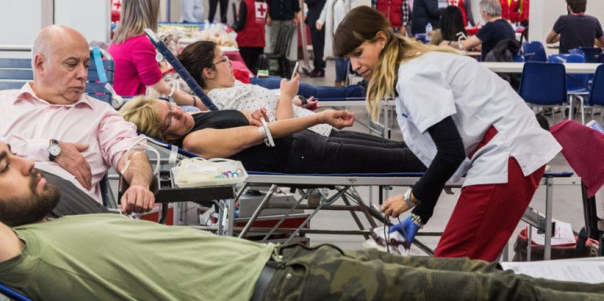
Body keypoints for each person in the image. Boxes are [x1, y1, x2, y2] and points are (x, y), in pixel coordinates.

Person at [0, 126, 604, 301]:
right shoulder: (20, 256)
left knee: (490, 283)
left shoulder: (53, 223)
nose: (27, 165)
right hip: (279, 300)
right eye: (4, 169)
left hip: (289, 269)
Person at [333, 5, 562, 262]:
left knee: (453, 267)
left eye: (358, 53)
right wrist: (419, 216)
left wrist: (411, 198)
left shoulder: (412, 75)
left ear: (381, 39)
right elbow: (446, 154)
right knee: (462, 266)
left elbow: (450, 152)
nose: (354, 66)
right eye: (348, 59)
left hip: (507, 154)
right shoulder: (412, 66)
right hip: (503, 151)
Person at [0, 25, 154, 212]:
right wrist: (50, 149)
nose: (82, 75)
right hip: (1, 211)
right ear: (40, 64)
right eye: (71, 65)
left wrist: (139, 184)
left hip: (65, 216)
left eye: (86, 65)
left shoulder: (102, 115)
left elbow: (130, 153)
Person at [120, 96, 425, 174]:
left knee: (399, 146)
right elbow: (260, 136)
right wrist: (318, 116)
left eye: (172, 107)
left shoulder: (194, 120)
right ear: (164, 136)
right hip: (306, 156)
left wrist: (252, 118)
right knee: (401, 159)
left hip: (309, 144)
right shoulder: (194, 141)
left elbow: (246, 127)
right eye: (170, 119)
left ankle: (453, 154)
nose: (178, 112)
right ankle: (456, 163)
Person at [178, 40, 362, 125]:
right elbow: (282, 128)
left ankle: (359, 90)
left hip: (315, 129)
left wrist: (293, 99)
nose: (230, 63)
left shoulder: (232, 88)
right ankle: (360, 91)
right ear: (208, 72)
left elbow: (271, 107)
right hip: (314, 136)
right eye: (224, 59)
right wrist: (287, 96)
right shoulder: (229, 96)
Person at [108, 0, 207, 110]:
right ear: (151, 9)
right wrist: (194, 101)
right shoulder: (140, 43)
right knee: (193, 111)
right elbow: (160, 88)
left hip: (121, 104)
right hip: (131, 109)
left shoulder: (119, 40)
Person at [443, 0, 515, 61]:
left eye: (481, 12)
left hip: (491, 68)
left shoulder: (490, 27)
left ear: (486, 13)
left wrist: (448, 43)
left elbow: (465, 45)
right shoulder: (507, 25)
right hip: (504, 66)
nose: (481, 15)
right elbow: (496, 45)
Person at [233, 0, 269, 74]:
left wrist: (232, 28)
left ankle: (247, 84)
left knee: (246, 71)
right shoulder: (265, 4)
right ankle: (259, 83)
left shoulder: (245, 3)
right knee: (258, 70)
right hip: (260, 41)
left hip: (246, 41)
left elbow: (240, 25)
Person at [266, 0, 300, 70]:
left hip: (288, 17)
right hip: (274, 17)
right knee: (274, 42)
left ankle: (283, 66)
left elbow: (295, 3)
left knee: (285, 44)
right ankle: (273, 67)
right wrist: (268, 16)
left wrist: (296, 17)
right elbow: (267, 3)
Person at [305, 0, 327, 77]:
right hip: (315, 19)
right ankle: (317, 67)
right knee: (316, 46)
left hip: (317, 19)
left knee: (318, 46)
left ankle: (320, 68)